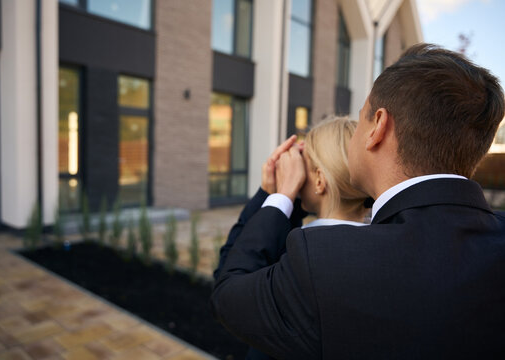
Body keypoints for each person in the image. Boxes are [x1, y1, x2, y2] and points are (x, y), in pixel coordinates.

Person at [210, 43, 505, 359]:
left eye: (360, 120)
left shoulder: (324, 260)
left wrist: (279, 197)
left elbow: (229, 294)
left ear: (378, 126)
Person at [213, 117, 370, 359]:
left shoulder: (302, 258)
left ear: (319, 179)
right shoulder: (381, 243)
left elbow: (229, 282)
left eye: (301, 164)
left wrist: (283, 193)